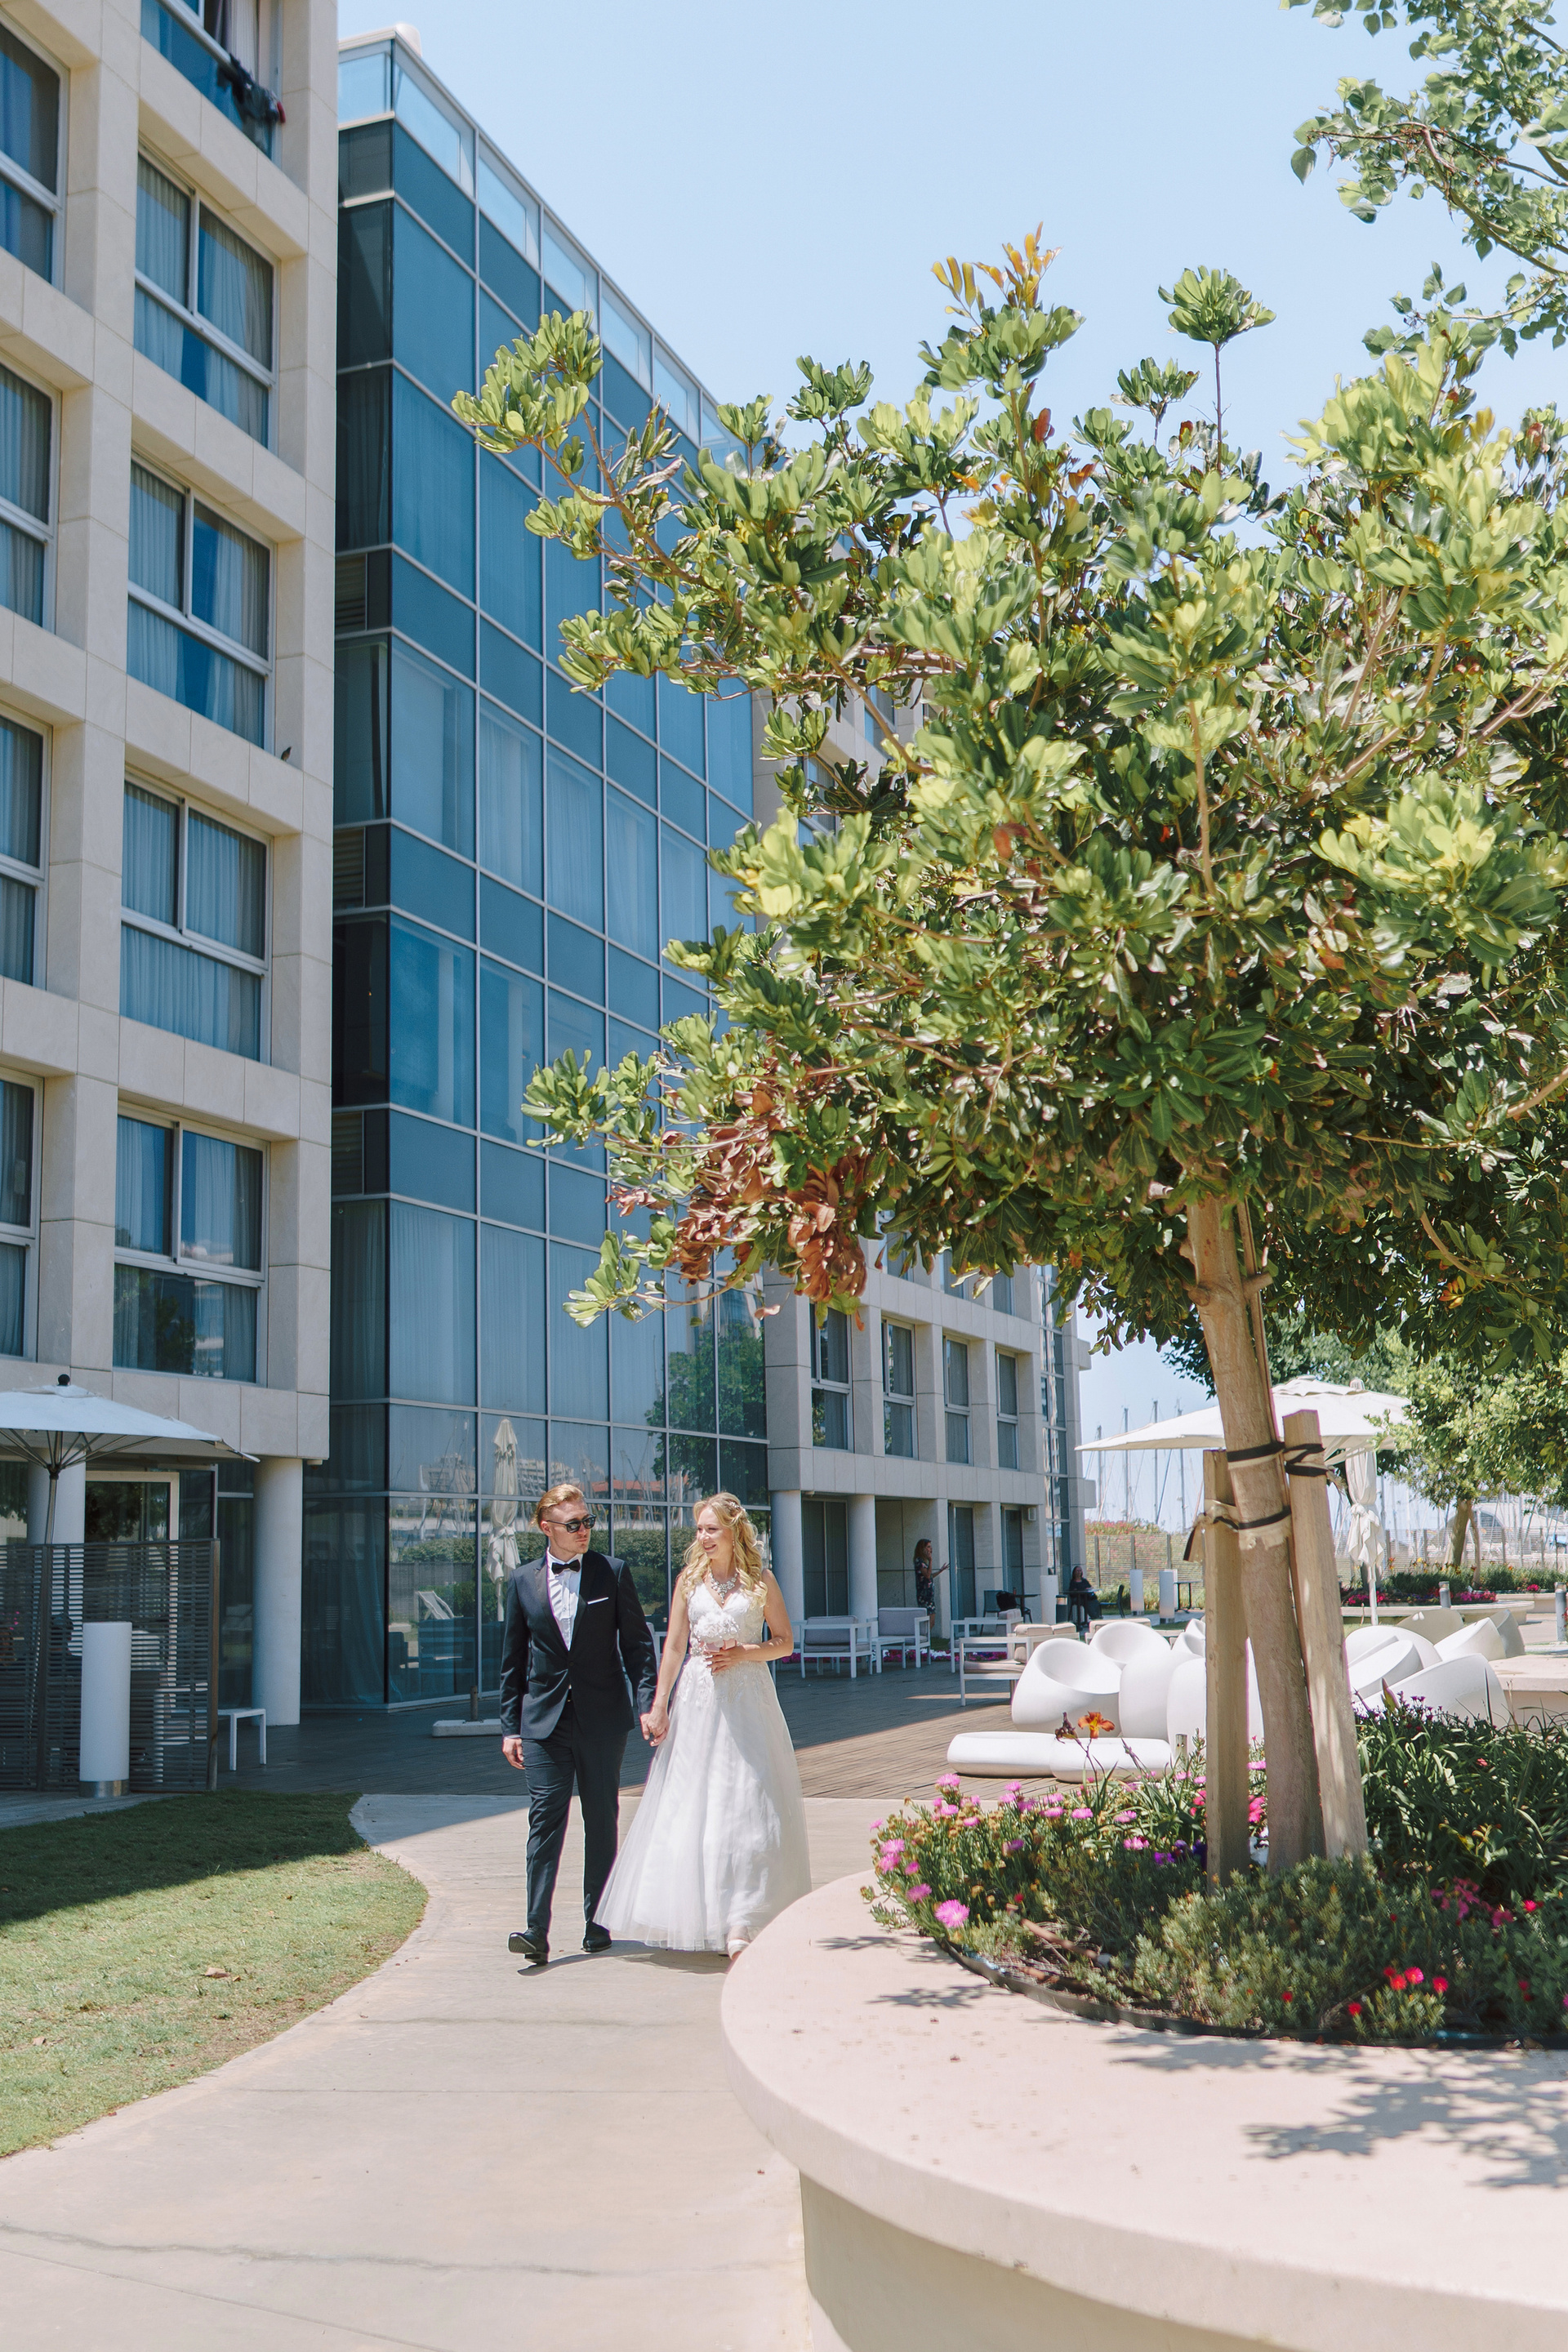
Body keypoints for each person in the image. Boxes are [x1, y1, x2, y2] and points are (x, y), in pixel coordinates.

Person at [596, 1491, 810, 1960]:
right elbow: (674, 1647)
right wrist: (659, 1705)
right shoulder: (688, 1580)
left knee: (747, 1804)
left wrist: (745, 1653)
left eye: (712, 1529)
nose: (703, 1537)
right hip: (697, 1700)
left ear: (734, 1531)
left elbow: (784, 1642)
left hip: (748, 1702)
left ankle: (742, 1919)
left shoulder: (760, 1580)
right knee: (695, 1804)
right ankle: (706, 1915)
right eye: (699, 1529)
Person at [500, 1482, 657, 1967]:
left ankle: (598, 1921)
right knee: (545, 1819)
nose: (585, 1530)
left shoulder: (612, 1572)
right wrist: (510, 1726)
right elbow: (512, 1661)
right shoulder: (522, 1581)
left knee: (600, 1818)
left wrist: (648, 1703)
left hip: (602, 1719)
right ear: (546, 1527)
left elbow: (637, 1646)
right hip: (543, 1722)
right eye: (574, 1524)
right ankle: (535, 1930)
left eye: (588, 1522)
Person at [1067, 1563, 1101, 1630]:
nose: (1079, 1572)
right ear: (1074, 1572)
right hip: (1078, 1598)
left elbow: (1090, 1587)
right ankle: (1087, 1619)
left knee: (1094, 1602)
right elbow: (1073, 1591)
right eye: (1077, 1571)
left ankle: (1097, 1617)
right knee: (1086, 1603)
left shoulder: (1084, 1581)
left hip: (1087, 1597)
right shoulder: (1073, 1582)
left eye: (1080, 1570)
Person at [912, 1537, 934, 1615]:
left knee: (932, 1618)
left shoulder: (924, 1562)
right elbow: (927, 1575)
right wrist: (930, 1561)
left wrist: (940, 1571)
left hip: (929, 1596)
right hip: (924, 1596)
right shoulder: (919, 1561)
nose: (930, 1549)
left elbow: (930, 1576)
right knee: (929, 1618)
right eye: (928, 1547)